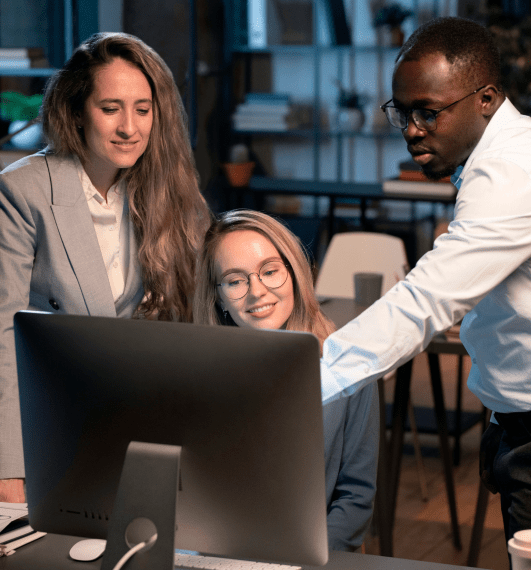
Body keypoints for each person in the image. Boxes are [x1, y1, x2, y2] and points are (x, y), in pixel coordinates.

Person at [319, 16, 531, 546]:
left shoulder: (508, 172)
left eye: (428, 112)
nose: (412, 128)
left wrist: (295, 385)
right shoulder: (502, 158)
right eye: (402, 112)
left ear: (485, 99)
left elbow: (424, 302)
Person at [0, 32, 210, 502]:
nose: (129, 127)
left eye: (143, 108)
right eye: (110, 107)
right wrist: (7, 467)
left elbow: (209, 299)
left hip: (142, 420)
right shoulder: (22, 191)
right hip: (52, 425)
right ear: (77, 110)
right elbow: (2, 335)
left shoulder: (169, 188)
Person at [193, 209, 379, 552]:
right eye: (235, 280)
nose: (256, 292)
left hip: (310, 556)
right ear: (217, 296)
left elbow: (355, 497)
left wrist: (309, 559)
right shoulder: (199, 374)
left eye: (270, 272)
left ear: (293, 273)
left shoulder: (348, 364)